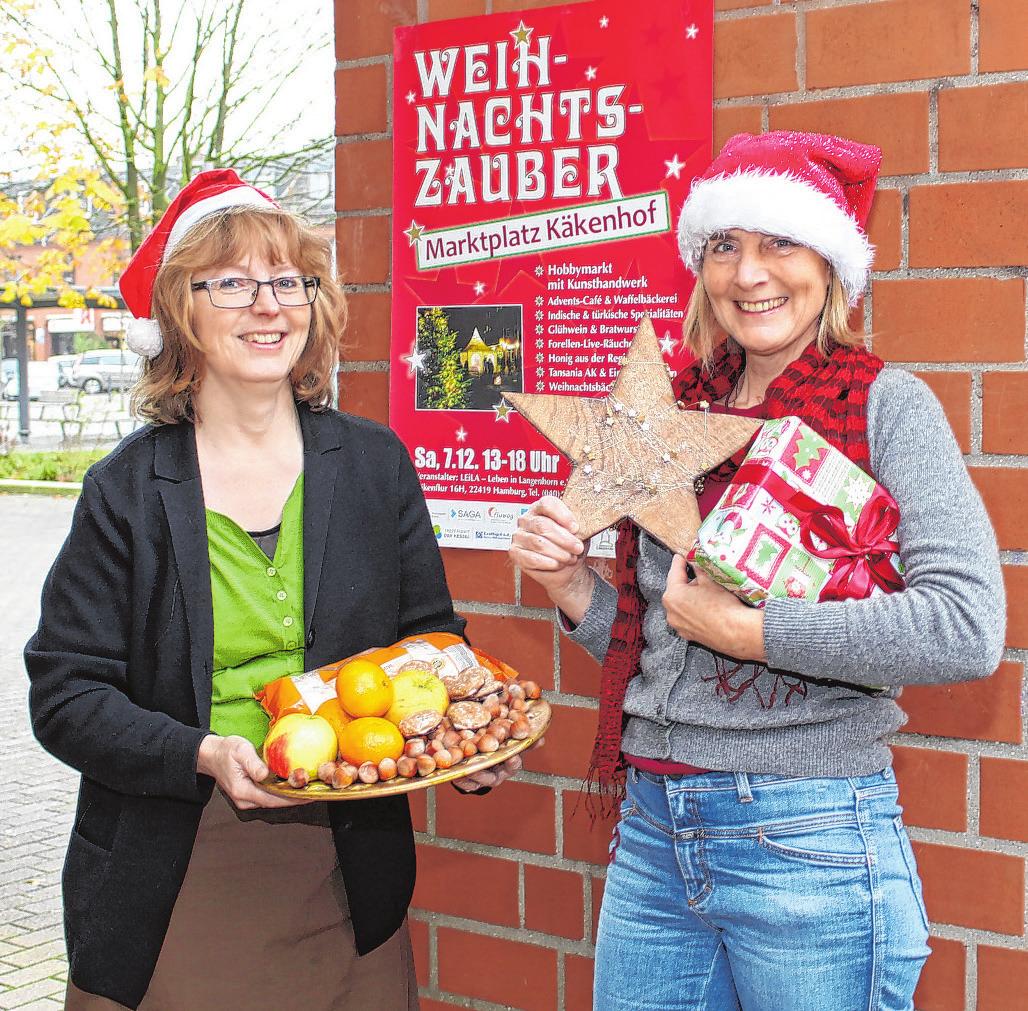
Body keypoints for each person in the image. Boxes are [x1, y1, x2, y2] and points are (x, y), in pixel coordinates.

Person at [509, 132, 1005, 1011]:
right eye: (725, 245)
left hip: (808, 833)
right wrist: (572, 587)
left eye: (779, 241)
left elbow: (967, 626)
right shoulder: (671, 412)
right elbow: (668, 643)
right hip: (655, 831)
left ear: (831, 264)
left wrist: (754, 632)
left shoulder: (884, 406)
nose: (749, 273)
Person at [25, 169, 519, 1010]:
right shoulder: (127, 489)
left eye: (289, 280)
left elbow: (429, 637)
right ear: (181, 312)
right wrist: (201, 751)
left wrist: (469, 741)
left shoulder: (372, 464)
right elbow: (66, 695)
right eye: (235, 282)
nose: (270, 304)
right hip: (178, 861)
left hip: (348, 860)